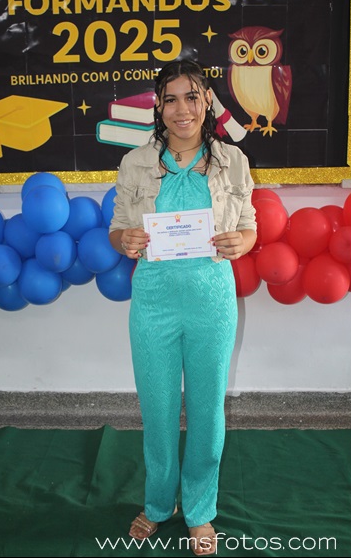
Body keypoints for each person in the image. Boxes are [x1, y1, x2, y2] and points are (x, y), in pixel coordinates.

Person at [109, 59, 257, 556]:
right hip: (153, 301)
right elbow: (118, 228)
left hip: (212, 301)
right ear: (158, 106)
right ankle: (157, 504)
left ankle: (199, 509)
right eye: (170, 99)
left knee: (207, 411)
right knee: (157, 410)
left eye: (191, 97)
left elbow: (249, 224)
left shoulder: (233, 160)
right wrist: (125, 239)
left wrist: (241, 241)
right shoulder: (135, 163)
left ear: (207, 101)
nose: (181, 109)